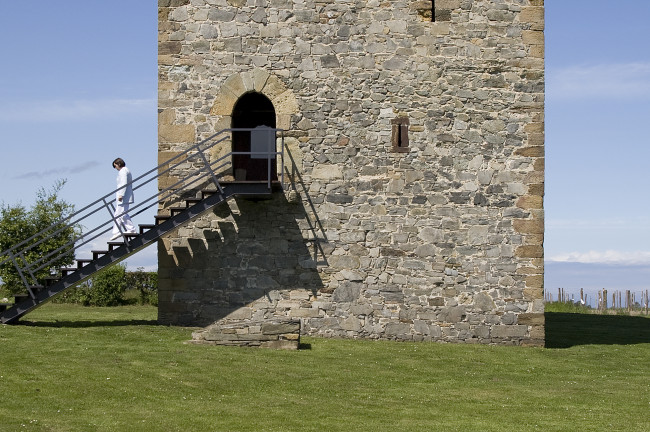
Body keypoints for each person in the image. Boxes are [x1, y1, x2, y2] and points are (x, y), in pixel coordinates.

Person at [111, 157, 136, 240]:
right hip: (123, 196)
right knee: (118, 214)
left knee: (122, 214)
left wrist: (121, 195)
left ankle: (130, 229)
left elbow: (123, 183)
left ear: (119, 164)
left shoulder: (123, 171)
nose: (115, 168)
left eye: (115, 166)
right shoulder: (125, 170)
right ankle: (116, 232)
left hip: (123, 197)